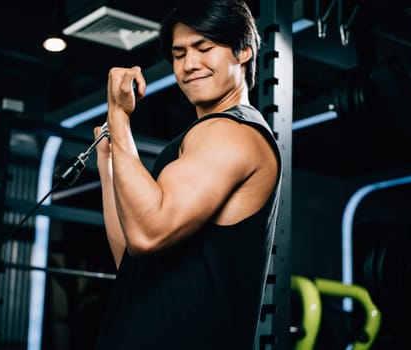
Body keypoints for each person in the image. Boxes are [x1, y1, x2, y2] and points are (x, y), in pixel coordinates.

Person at [93, 0, 282, 348]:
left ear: (243, 52)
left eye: (203, 48)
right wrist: (108, 165)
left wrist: (118, 116)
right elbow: (133, 258)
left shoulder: (233, 132)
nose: (189, 65)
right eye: (179, 54)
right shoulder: (200, 138)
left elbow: (147, 233)